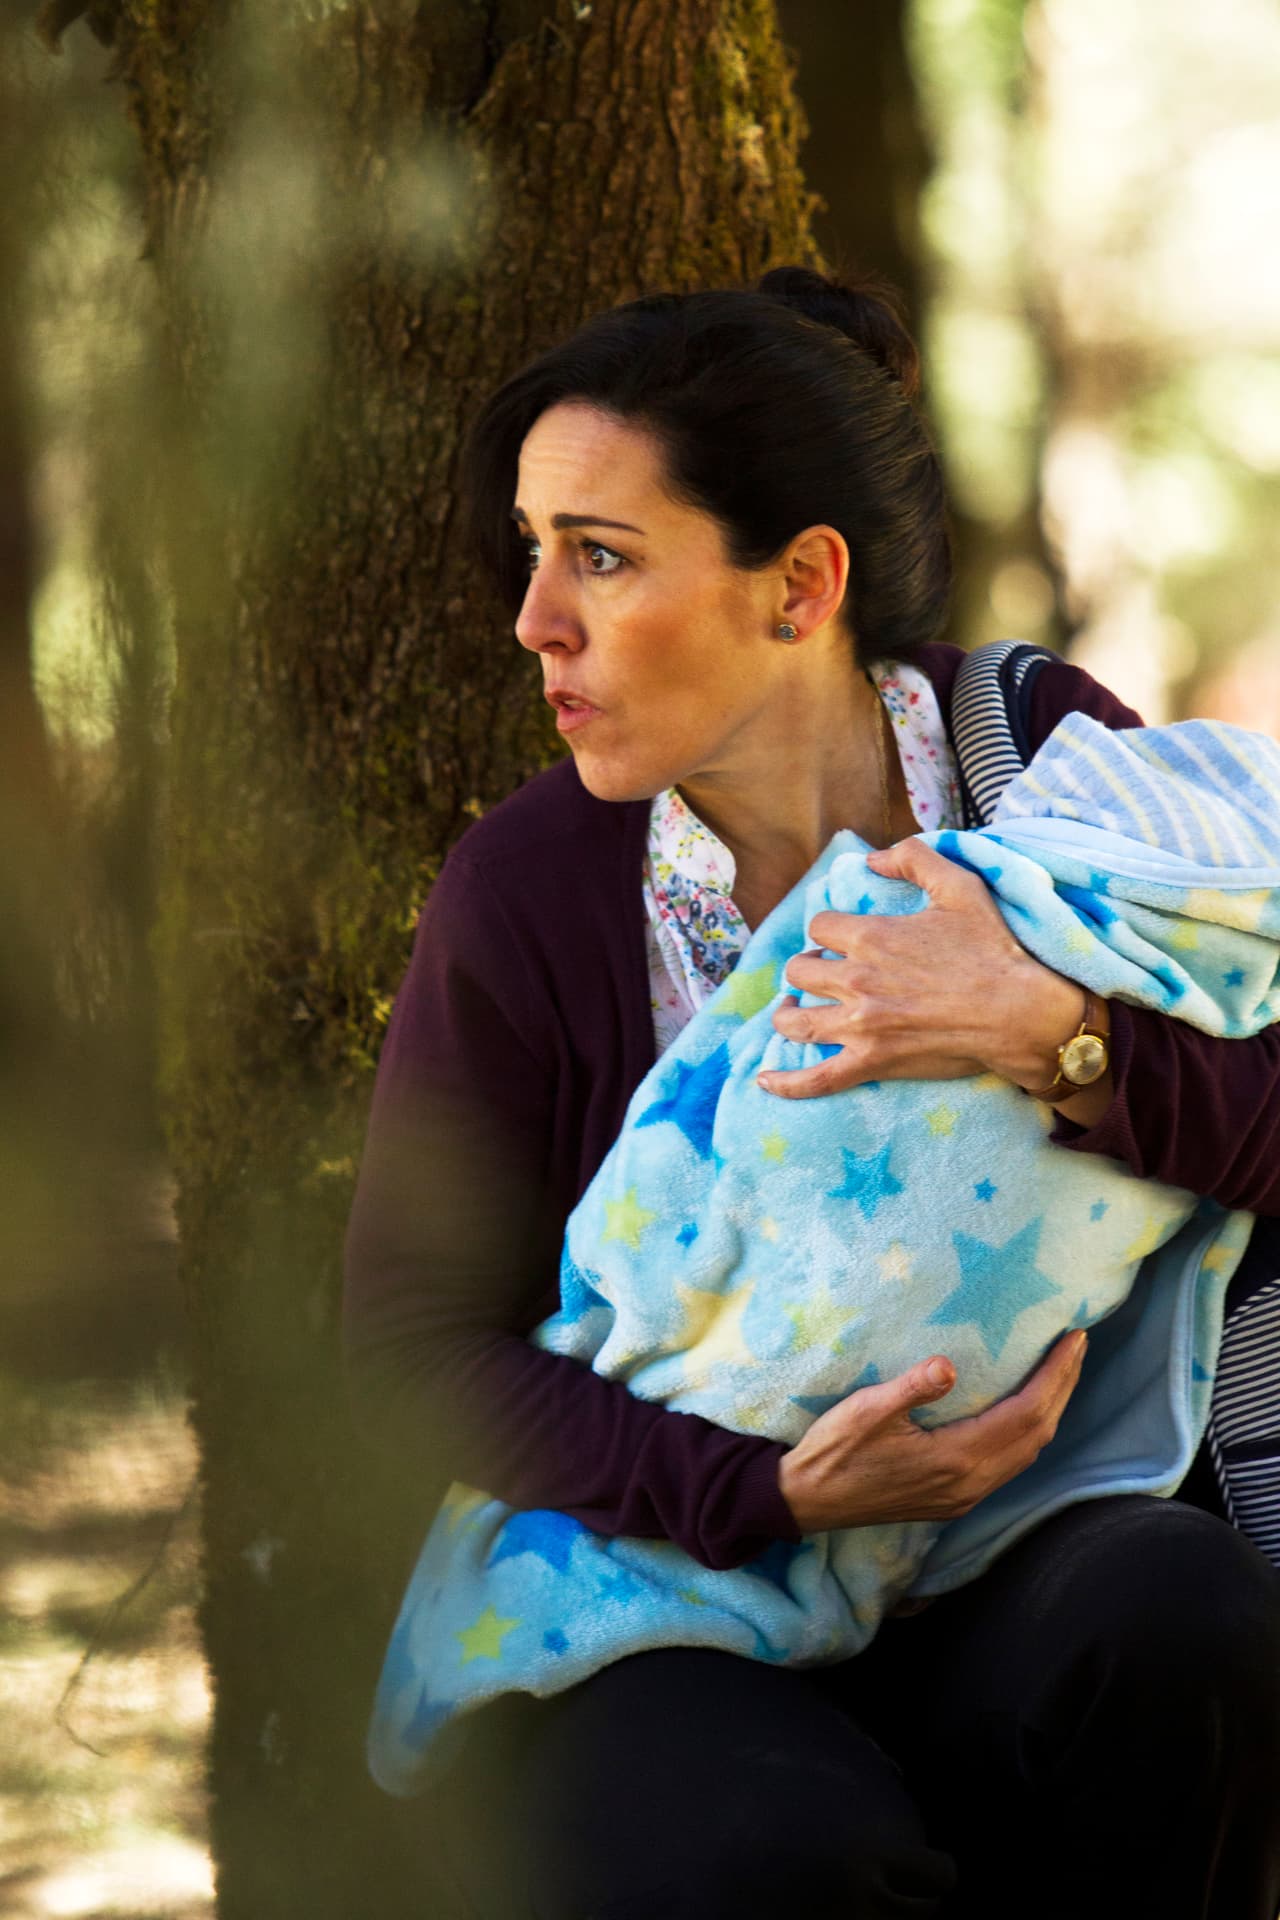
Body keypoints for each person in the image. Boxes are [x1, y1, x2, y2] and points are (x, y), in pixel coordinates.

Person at [343, 268, 1280, 1919]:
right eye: (534, 548)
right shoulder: (532, 890)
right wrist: (761, 1492)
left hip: (1025, 1547)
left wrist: (1060, 1034)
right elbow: (412, 1351)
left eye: (601, 557)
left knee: (1182, 1617)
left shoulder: (1036, 765)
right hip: (674, 1590)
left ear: (801, 589)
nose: (533, 621)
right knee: (767, 1854)